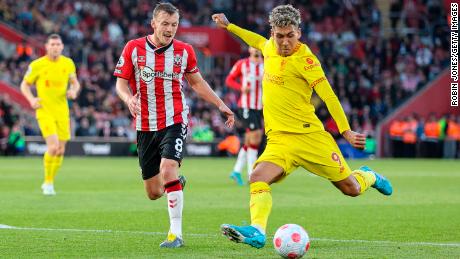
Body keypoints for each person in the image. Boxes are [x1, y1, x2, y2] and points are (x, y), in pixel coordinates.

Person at [212, 5, 393, 249]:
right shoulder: (269, 48)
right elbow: (255, 40)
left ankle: (369, 175)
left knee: (351, 188)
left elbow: (329, 96)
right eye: (279, 36)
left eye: (290, 35)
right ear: (273, 33)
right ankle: (257, 231)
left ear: (299, 32)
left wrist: (346, 131)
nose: (284, 42)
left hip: (310, 137)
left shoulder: (307, 61)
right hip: (279, 140)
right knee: (257, 177)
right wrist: (229, 26)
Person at [114, 2, 234, 248]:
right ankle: (177, 184)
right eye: (165, 24)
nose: (170, 29)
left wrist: (220, 104)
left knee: (168, 168)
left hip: (175, 119)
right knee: (154, 193)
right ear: (154, 24)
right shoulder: (133, 48)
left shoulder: (185, 51)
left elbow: (197, 83)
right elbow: (121, 84)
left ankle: (175, 234)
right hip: (145, 124)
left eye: (174, 24)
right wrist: (128, 99)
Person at [20, 34, 81, 196]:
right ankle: (47, 183)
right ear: (47, 46)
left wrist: (73, 91)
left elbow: (75, 83)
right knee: (53, 147)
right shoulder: (37, 65)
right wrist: (32, 99)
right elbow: (24, 85)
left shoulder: (68, 63)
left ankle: (50, 181)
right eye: (52, 44)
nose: (55, 47)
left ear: (62, 47)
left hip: (62, 112)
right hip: (45, 111)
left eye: (58, 44)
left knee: (60, 150)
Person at [226, 47, 264, 185]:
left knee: (250, 139)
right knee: (256, 136)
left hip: (261, 106)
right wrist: (241, 88)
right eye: (253, 46)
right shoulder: (242, 64)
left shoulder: (266, 64)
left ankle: (236, 171)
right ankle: (251, 174)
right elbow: (229, 80)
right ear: (249, 49)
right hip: (247, 106)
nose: (256, 49)